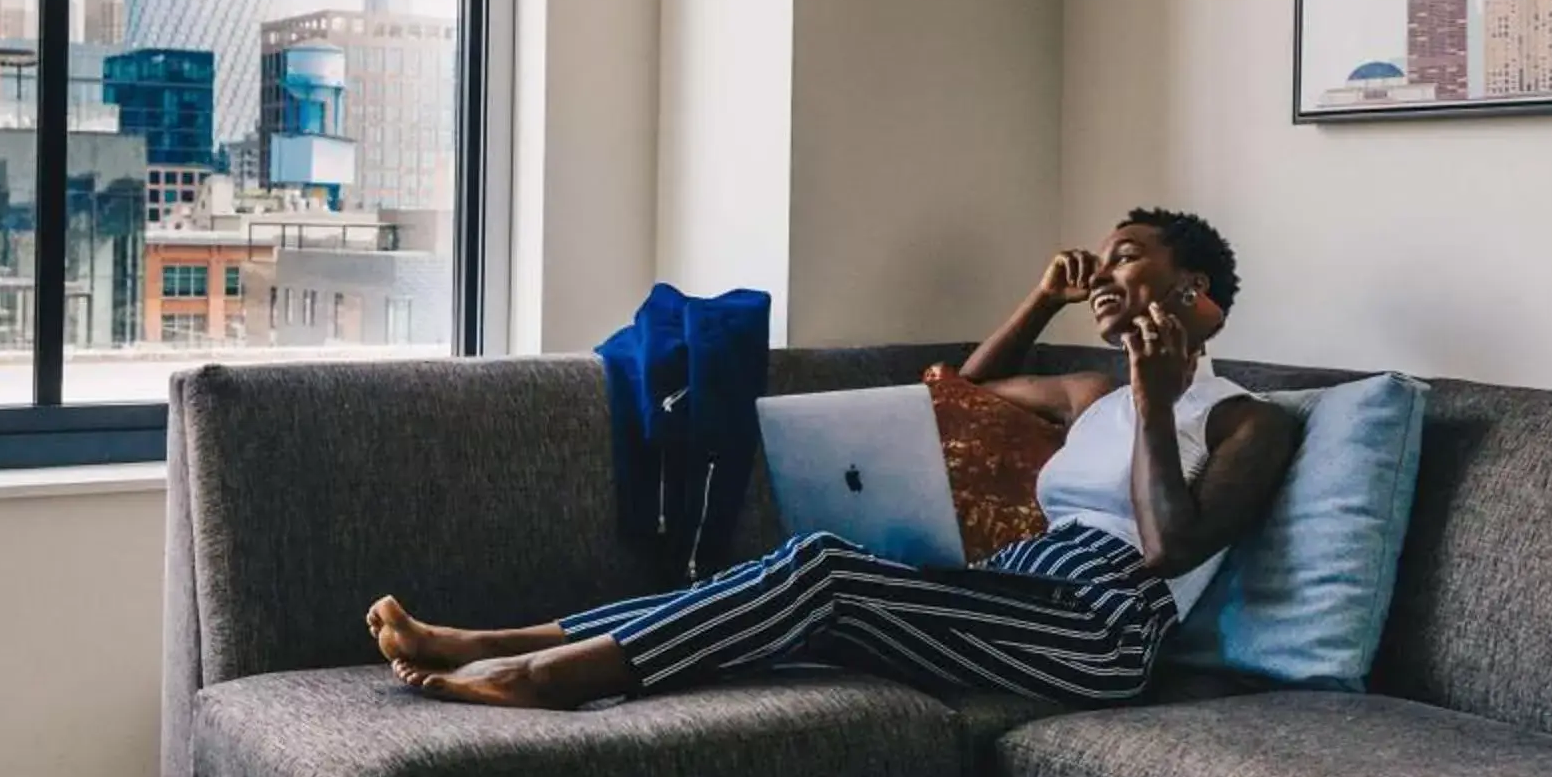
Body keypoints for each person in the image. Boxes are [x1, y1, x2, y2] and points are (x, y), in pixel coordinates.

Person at [366, 208, 1300, 710]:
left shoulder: (1248, 420)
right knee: (808, 568)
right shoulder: (1092, 395)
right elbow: (955, 398)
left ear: (1197, 295)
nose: (1104, 271)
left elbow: (1172, 548)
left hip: (1102, 630)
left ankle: (552, 678)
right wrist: (1043, 302)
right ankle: (509, 641)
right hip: (1014, 591)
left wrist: (1153, 396)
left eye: (1126, 256)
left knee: (824, 574)